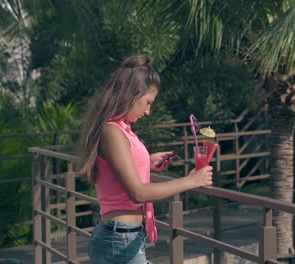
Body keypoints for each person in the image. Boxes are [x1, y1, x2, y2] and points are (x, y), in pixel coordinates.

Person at [76, 54, 213, 264]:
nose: (148, 112)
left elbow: (116, 170)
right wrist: (191, 181)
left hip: (124, 238)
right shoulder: (112, 132)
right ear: (132, 94)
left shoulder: (121, 129)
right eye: (148, 102)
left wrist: (146, 162)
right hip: (119, 241)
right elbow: (138, 193)